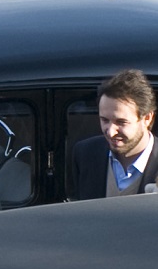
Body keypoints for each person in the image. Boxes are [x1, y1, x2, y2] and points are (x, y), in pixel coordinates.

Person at [67, 67, 158, 198]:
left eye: (121, 122)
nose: (110, 132)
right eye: (104, 120)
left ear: (147, 118)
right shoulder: (85, 154)